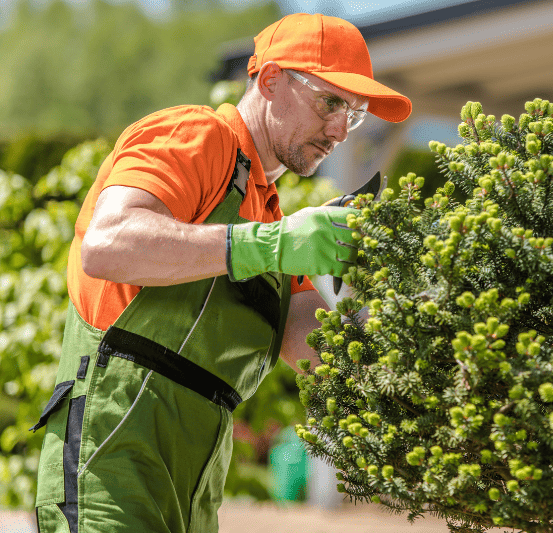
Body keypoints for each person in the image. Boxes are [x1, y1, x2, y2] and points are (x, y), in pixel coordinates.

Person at [30, 12, 411, 533]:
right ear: (272, 79)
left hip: (194, 491)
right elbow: (108, 242)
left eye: (356, 114)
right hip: (109, 462)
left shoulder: (272, 217)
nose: (341, 130)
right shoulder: (195, 135)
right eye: (331, 103)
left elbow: (322, 350)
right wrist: (269, 244)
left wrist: (414, 312)